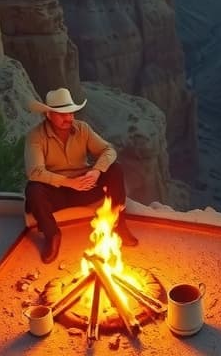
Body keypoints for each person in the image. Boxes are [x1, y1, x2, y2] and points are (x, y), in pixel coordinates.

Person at [24, 87, 138, 264]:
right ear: (48, 115)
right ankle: (52, 235)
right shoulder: (35, 136)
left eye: (71, 113)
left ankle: (119, 224)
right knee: (33, 189)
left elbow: (108, 150)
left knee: (115, 169)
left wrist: (96, 171)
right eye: (62, 114)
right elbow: (34, 172)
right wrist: (69, 183)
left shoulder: (82, 129)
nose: (69, 118)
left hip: (85, 187)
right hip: (57, 193)